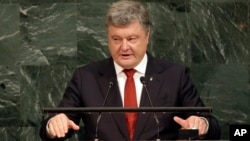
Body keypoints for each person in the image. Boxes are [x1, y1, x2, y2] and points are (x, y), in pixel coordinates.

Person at [40, 0, 221, 140]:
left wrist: (201, 123)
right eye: (116, 39)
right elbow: (53, 124)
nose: (124, 47)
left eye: (132, 39)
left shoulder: (174, 75)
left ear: (147, 36)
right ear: (108, 38)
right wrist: (54, 124)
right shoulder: (86, 77)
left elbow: (213, 126)